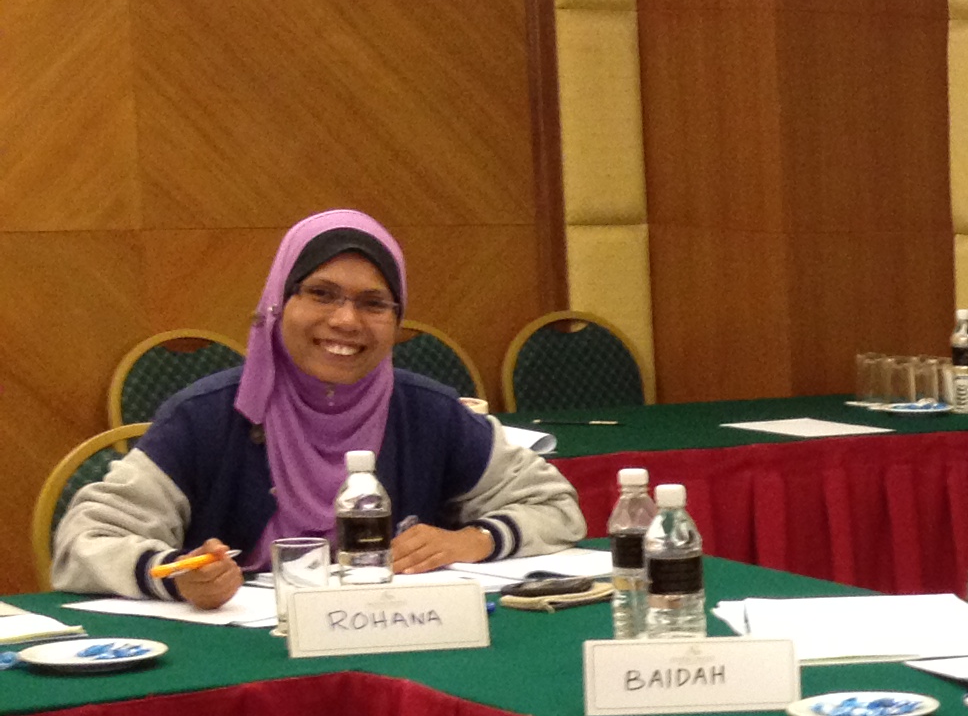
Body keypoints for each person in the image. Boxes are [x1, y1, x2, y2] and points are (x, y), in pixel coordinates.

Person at [53, 209, 585, 604]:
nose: (346, 321)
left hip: (398, 644)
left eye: (373, 303)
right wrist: (177, 575)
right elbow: (84, 541)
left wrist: (473, 540)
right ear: (278, 303)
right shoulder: (208, 416)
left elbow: (556, 508)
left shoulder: (427, 412)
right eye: (322, 294)